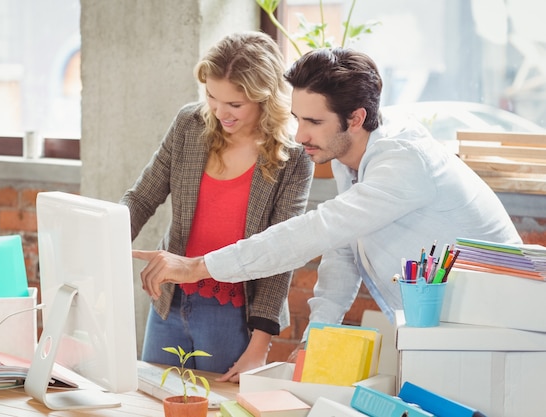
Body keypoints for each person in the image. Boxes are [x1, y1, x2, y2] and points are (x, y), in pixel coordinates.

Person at [134, 47, 522, 361]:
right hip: (445, 328)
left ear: (355, 118)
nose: (300, 135)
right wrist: (315, 339)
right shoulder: (350, 157)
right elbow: (342, 253)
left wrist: (198, 265)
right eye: (297, 118)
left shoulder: (402, 164)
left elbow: (314, 232)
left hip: (498, 334)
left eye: (314, 122)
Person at [121, 31, 313, 380]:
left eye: (235, 104)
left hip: (234, 314)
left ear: (264, 98)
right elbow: (142, 197)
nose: (220, 112)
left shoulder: (293, 158)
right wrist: (104, 238)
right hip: (170, 302)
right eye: (211, 96)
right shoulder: (188, 125)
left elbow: (280, 256)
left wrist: (259, 348)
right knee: (154, 403)